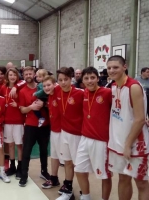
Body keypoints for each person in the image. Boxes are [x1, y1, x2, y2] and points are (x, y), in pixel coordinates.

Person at [107, 55, 149, 200]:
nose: (111, 70)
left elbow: (140, 119)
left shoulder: (134, 87)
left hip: (136, 144)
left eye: (115, 67)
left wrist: (127, 144)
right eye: (109, 68)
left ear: (125, 67)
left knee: (142, 183)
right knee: (123, 179)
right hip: (117, 142)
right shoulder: (113, 86)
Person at [74, 67, 112, 200]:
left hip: (102, 140)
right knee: (79, 169)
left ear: (97, 78)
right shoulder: (82, 93)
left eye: (92, 78)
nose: (89, 81)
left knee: (104, 175)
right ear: (82, 80)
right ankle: (86, 196)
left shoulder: (107, 93)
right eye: (86, 78)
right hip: (85, 138)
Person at [18, 66, 50, 187]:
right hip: (31, 125)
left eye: (30, 73)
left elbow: (51, 102)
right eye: (25, 74)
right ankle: (24, 174)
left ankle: (44, 171)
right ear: (23, 75)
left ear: (34, 74)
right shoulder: (22, 91)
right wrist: (31, 107)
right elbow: (22, 110)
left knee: (43, 150)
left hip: (45, 125)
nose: (28, 76)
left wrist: (44, 104)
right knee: (27, 151)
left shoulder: (43, 87)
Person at [55, 67, 84, 200]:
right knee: (67, 162)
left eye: (66, 79)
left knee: (79, 165)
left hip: (77, 134)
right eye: (60, 80)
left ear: (71, 78)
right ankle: (68, 189)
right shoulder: (57, 90)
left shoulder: (80, 93)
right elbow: (42, 88)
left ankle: (85, 191)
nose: (63, 83)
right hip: (64, 132)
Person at [0, 68, 25, 179]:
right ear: (7, 76)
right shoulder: (3, 88)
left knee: (19, 145)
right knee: (10, 144)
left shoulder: (21, 86)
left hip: (18, 120)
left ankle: (20, 167)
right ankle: (12, 166)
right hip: (7, 121)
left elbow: (24, 81)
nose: (12, 77)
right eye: (10, 75)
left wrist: (17, 104)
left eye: (14, 75)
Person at [41, 76, 64, 189]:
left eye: (49, 85)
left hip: (64, 131)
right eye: (44, 86)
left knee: (67, 160)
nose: (46, 87)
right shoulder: (49, 96)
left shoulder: (60, 91)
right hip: (54, 130)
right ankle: (54, 178)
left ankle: (68, 184)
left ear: (55, 84)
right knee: (54, 156)